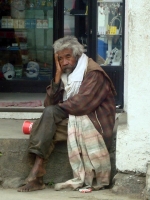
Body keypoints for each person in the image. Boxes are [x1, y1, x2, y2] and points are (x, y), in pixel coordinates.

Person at [18, 35, 116, 192]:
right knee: (48, 121)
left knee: (45, 124)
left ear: (77, 55)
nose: (64, 62)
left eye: (68, 57)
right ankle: (36, 174)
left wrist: (53, 112)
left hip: (93, 122)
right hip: (74, 117)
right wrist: (57, 77)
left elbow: (81, 104)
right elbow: (48, 104)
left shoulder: (93, 72)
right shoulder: (65, 75)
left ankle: (37, 174)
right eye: (60, 59)